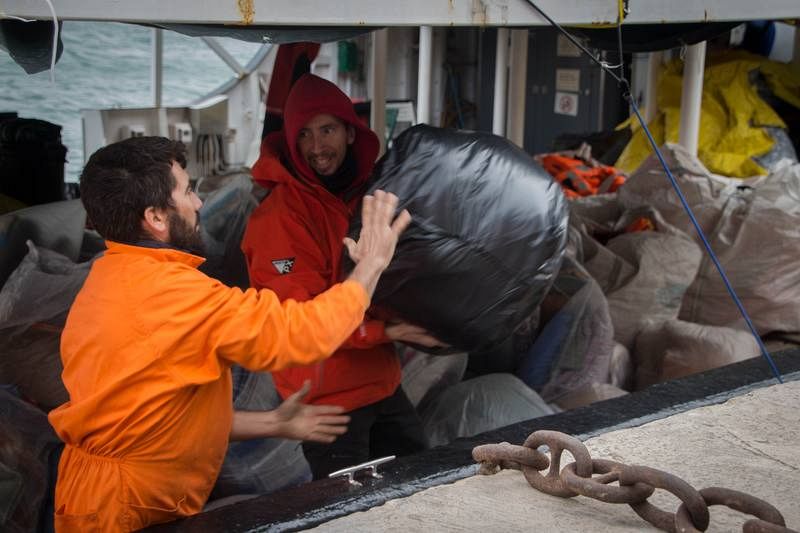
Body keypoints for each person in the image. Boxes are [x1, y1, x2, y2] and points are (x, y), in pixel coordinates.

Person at [47, 136, 410, 532]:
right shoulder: (177, 296)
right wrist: (371, 265)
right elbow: (303, 335)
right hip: (125, 511)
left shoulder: (110, 276)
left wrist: (274, 423)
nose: (199, 203)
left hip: (100, 496)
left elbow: (154, 417)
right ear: (155, 217)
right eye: (187, 191)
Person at [241, 73, 445, 479]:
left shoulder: (367, 193)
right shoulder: (276, 220)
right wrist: (389, 332)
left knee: (422, 487)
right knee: (347, 514)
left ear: (351, 132)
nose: (317, 147)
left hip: (382, 383)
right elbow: (301, 321)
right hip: (324, 401)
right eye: (305, 135)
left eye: (328, 130)